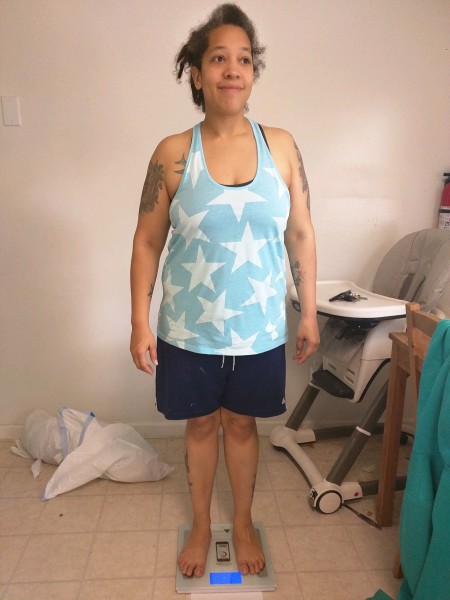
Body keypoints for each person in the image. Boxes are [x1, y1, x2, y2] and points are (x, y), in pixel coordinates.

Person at [130, 3, 320, 579]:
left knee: (241, 425)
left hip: (259, 328)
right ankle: (200, 524)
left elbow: (301, 233)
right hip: (189, 330)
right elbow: (146, 242)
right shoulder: (171, 153)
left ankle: (240, 522)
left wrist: (308, 312)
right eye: (218, 59)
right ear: (196, 72)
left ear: (253, 72)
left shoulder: (282, 147)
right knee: (201, 425)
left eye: (243, 59)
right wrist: (139, 321)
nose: (232, 70)